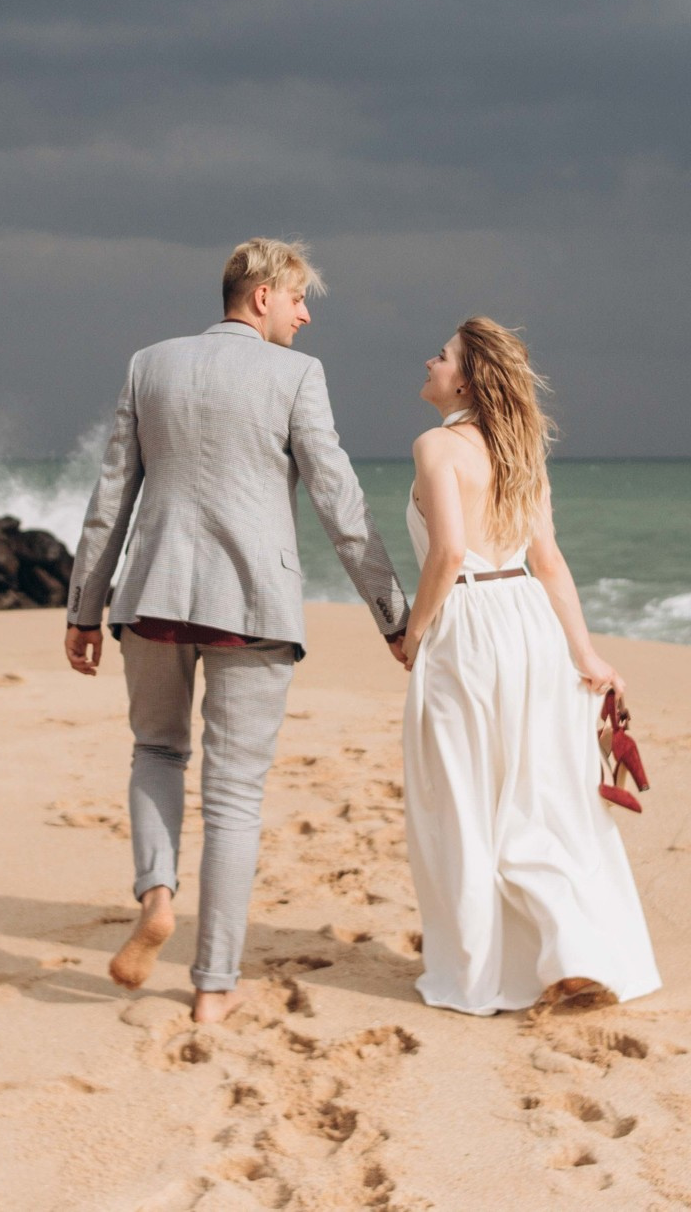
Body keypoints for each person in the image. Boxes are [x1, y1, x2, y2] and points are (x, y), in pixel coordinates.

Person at [63, 238, 411, 1025]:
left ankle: (157, 894)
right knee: (233, 797)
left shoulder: (148, 364)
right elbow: (340, 503)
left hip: (150, 597)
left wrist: (85, 606)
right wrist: (393, 612)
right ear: (261, 296)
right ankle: (212, 987)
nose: (306, 312)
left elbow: (110, 495)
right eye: (298, 299)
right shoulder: (297, 376)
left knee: (155, 749)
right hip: (253, 607)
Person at [395, 317, 660, 1015]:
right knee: (536, 802)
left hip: (470, 628)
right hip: (532, 628)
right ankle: (576, 953)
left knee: (464, 800)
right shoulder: (521, 456)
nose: (429, 359)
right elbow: (548, 562)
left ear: (468, 378)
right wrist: (585, 653)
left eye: (443, 354)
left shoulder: (435, 446)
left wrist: (412, 632)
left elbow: (448, 554)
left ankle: (482, 973)